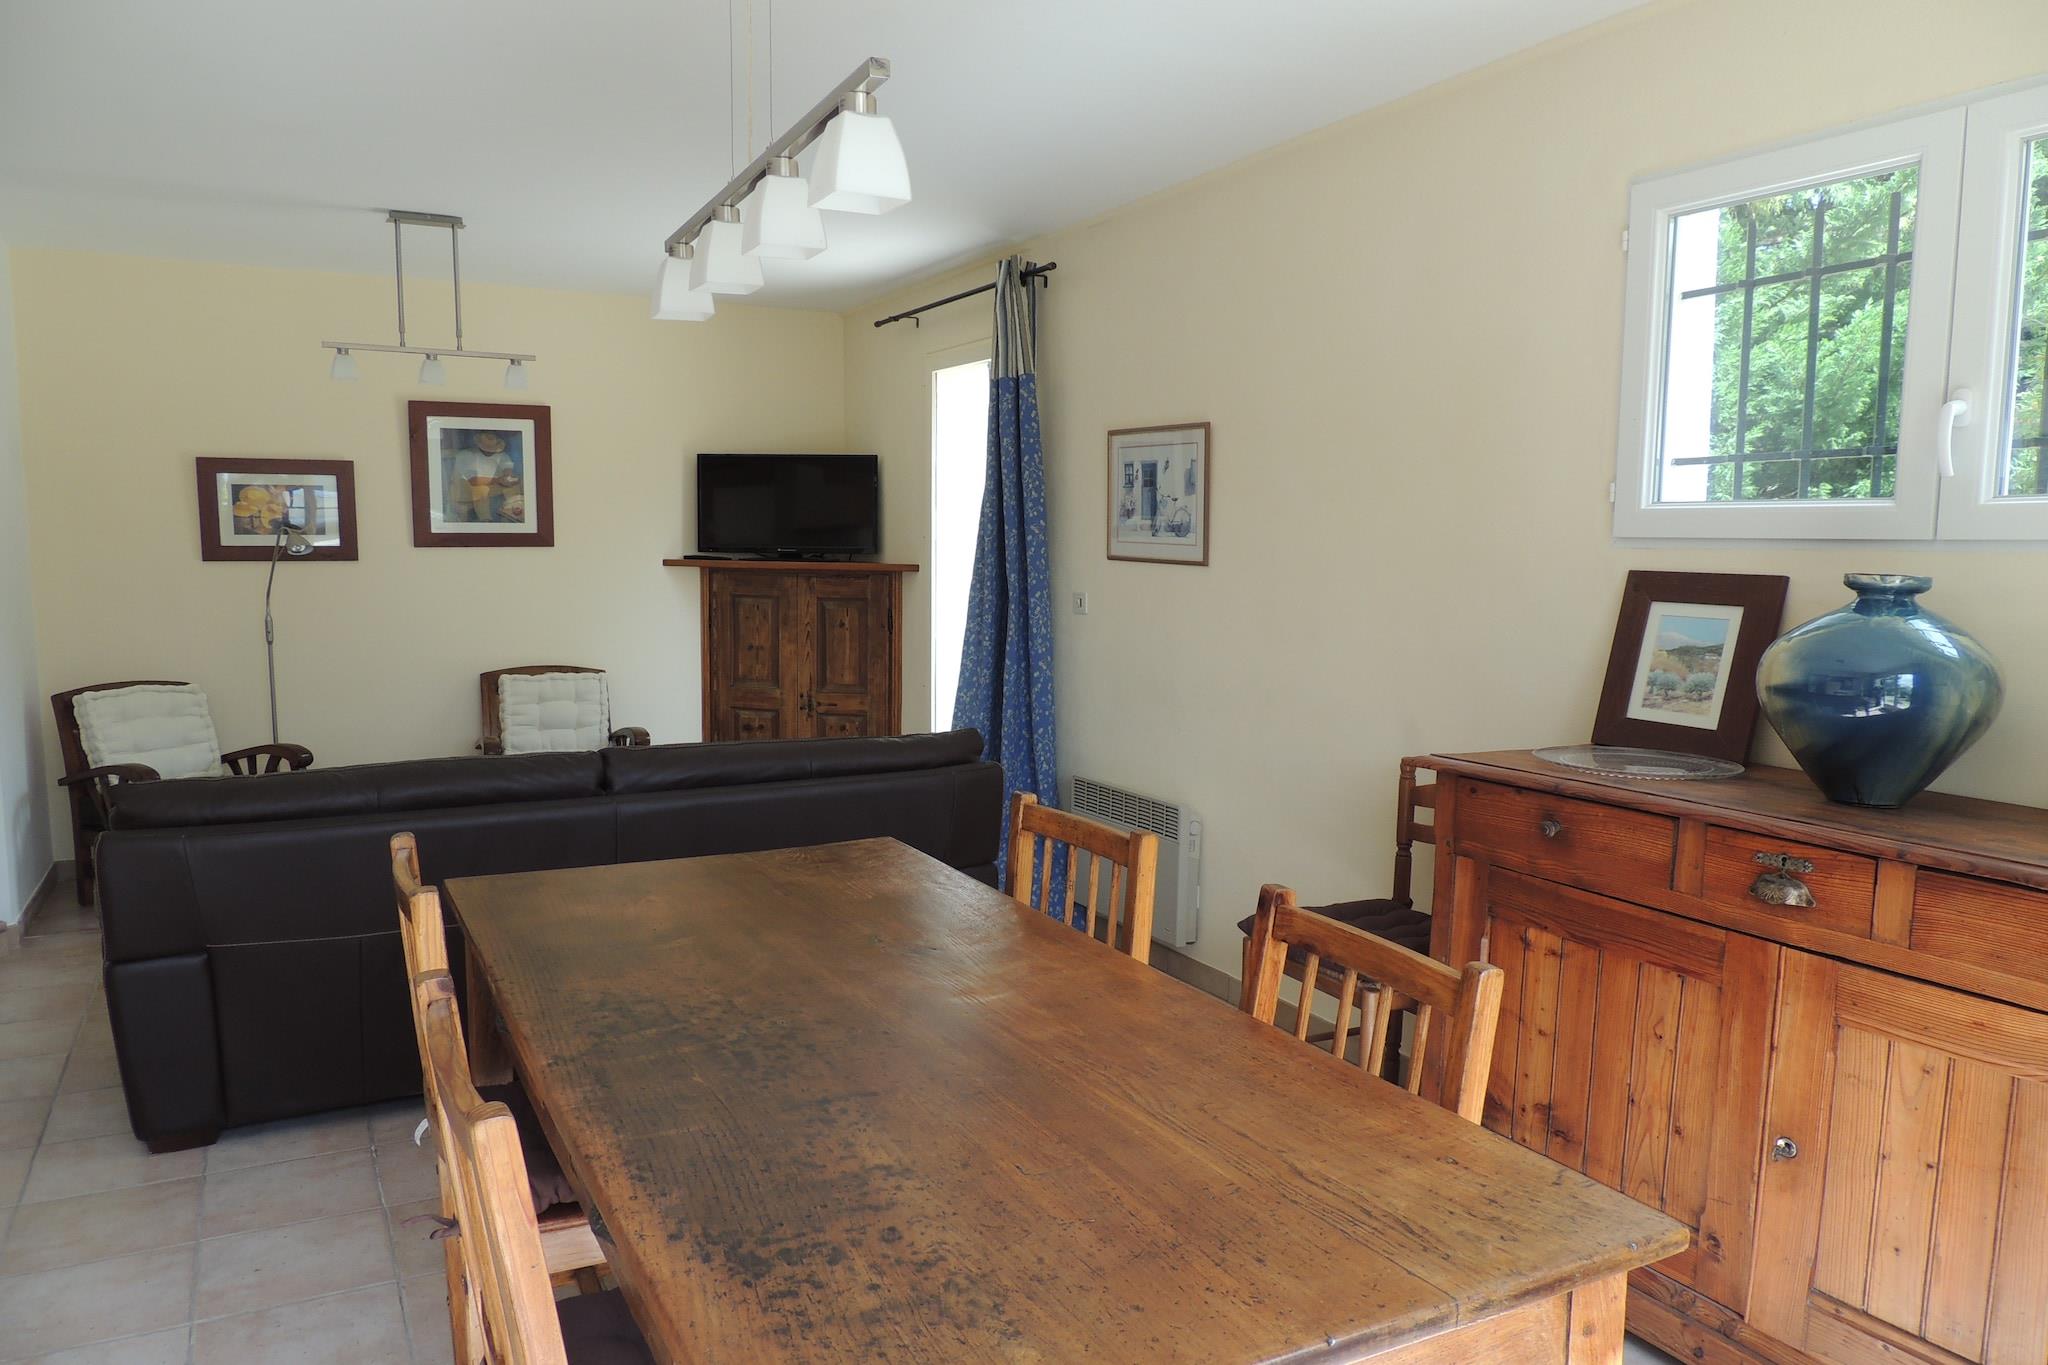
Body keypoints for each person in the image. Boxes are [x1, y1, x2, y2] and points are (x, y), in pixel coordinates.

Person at [447, 431, 522, 522]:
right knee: (481, 489)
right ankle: (486, 519)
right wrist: (499, 480)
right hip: (463, 491)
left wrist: (509, 478)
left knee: (513, 486)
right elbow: (474, 481)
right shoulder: (466, 455)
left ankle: (512, 515)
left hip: (489, 486)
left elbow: (507, 469)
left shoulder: (501, 455)